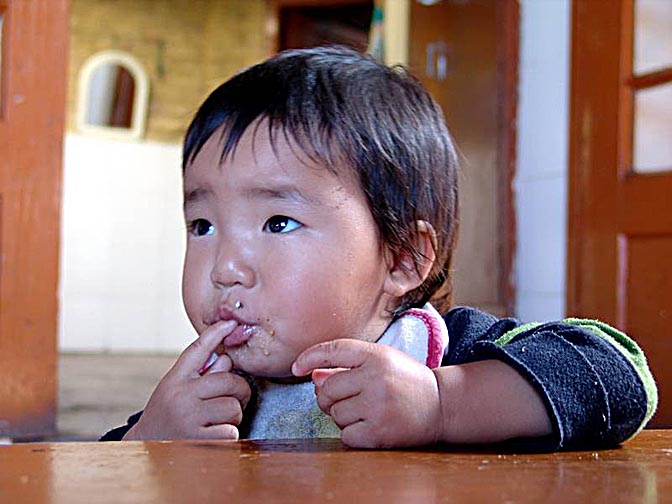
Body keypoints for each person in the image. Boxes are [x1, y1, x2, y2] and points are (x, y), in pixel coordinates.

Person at [101, 46, 657, 449]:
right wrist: (147, 439)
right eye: (202, 226)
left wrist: (445, 405)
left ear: (403, 258)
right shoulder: (215, 392)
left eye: (277, 222)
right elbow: (84, 474)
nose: (225, 268)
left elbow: (619, 376)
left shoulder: (446, 352)